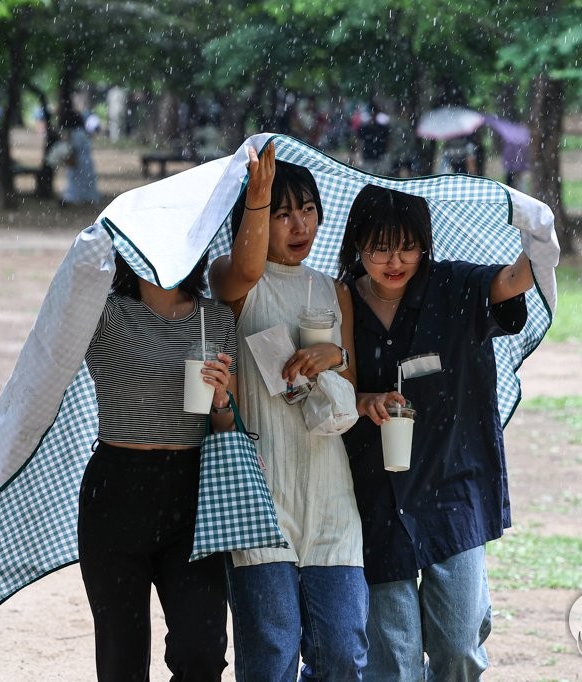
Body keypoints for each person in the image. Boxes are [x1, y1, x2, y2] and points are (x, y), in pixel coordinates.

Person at [336, 184, 534, 680]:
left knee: (460, 645)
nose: (394, 260)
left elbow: (514, 280)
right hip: (372, 495)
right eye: (379, 246)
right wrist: (364, 402)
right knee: (393, 663)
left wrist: (540, 236)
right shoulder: (337, 303)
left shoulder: (455, 287)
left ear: (425, 243)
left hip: (453, 484)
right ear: (358, 245)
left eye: (407, 245)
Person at [209, 142, 368, 680]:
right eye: (282, 214)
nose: (299, 225)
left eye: (307, 210)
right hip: (262, 493)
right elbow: (247, 269)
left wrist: (336, 356)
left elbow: (345, 390)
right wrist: (256, 199)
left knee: (342, 650)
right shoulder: (230, 279)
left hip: (331, 495)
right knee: (272, 654)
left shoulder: (332, 289)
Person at [80, 250, 238, 681]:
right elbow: (52, 335)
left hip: (191, 492)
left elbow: (226, 426)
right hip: (115, 489)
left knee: (202, 651)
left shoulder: (215, 319)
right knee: (121, 659)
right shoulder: (103, 313)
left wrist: (222, 400)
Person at [58, 109, 100, 206]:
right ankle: (85, 197)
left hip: (81, 160)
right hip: (85, 160)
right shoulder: (80, 132)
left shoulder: (77, 134)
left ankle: (76, 197)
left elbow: (74, 149)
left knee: (78, 180)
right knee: (82, 180)